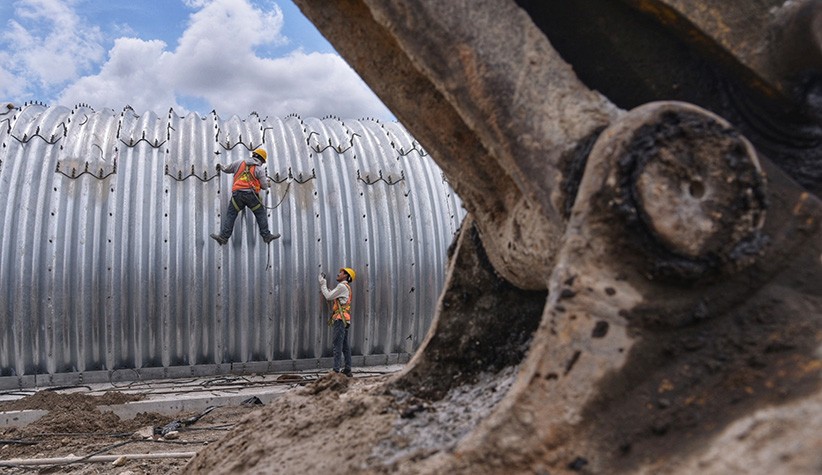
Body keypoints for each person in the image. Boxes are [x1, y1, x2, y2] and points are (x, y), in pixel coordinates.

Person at [210, 148, 280, 245]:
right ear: (261, 159)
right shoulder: (259, 169)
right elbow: (264, 187)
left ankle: (223, 237)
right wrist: (267, 183)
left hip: (237, 196)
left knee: (231, 215)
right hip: (252, 197)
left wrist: (220, 166)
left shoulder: (239, 163)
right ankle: (266, 236)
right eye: (263, 162)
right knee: (260, 214)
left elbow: (227, 169)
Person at [319, 267, 356, 376]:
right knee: (344, 345)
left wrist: (322, 283)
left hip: (340, 319)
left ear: (346, 276)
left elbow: (328, 297)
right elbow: (336, 297)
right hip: (345, 320)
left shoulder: (341, 286)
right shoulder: (347, 287)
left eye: (341, 272)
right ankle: (348, 370)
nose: (338, 274)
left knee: (337, 345)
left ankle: (335, 371)